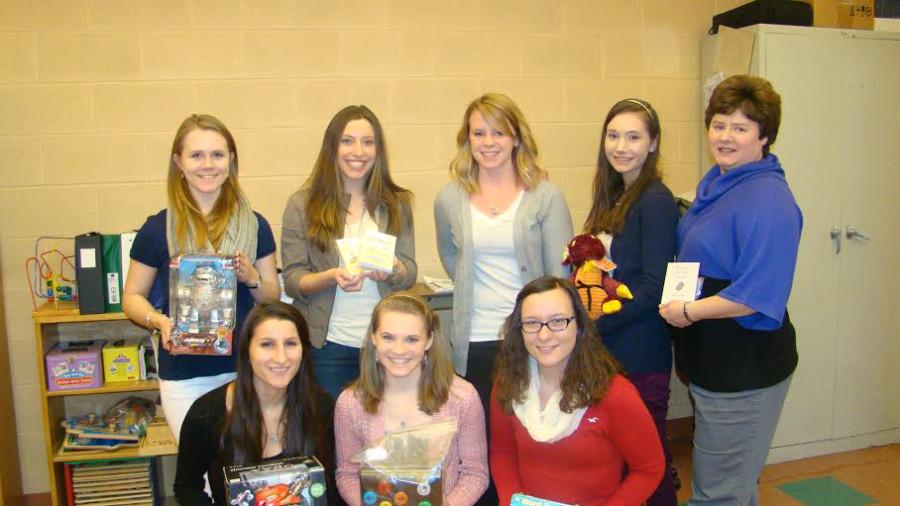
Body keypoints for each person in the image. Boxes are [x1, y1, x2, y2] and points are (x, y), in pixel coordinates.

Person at [659, 75, 802, 505]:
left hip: (745, 368)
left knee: (718, 494)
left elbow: (755, 294)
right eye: (719, 124)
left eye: (740, 128)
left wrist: (690, 313)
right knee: (731, 486)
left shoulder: (769, 200)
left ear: (765, 136)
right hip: (713, 363)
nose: (725, 137)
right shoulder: (719, 184)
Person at [122, 114, 279, 441]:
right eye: (196, 155)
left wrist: (251, 277)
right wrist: (160, 321)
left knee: (242, 472)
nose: (208, 164)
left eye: (218, 155)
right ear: (178, 162)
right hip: (184, 375)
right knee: (200, 477)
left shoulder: (255, 226)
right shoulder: (156, 230)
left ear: (231, 161)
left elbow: (271, 296)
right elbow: (132, 297)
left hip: (246, 370)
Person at [434, 91, 573, 420]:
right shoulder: (450, 198)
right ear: (467, 140)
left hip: (532, 337)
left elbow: (560, 275)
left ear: (516, 137)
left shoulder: (546, 195)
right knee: (484, 434)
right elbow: (451, 258)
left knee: (533, 429)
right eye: (478, 133)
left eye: (498, 132)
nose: (488, 142)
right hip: (476, 337)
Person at [281, 105, 416, 400]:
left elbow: (409, 270)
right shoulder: (302, 205)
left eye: (368, 142)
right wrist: (331, 277)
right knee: (332, 436)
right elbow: (292, 279)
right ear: (333, 147)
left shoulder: (396, 203)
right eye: (347, 141)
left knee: (383, 434)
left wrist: (394, 268)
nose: (359, 151)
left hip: (387, 347)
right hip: (328, 346)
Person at [491, 276, 664, 505]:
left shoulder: (614, 393)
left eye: (558, 321)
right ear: (519, 330)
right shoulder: (508, 385)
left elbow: (649, 469)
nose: (544, 335)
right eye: (532, 323)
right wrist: (510, 501)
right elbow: (503, 451)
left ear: (579, 324)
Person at [584, 98, 679, 505]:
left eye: (634, 137)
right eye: (613, 135)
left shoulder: (655, 200)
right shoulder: (615, 194)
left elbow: (654, 287)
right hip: (613, 350)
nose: (621, 146)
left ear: (653, 143)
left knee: (648, 464)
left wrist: (593, 322)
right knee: (620, 462)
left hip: (641, 352)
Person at [174, 301, 337, 505]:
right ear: (247, 351)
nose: (281, 357)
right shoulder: (206, 414)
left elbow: (331, 487)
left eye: (291, 344)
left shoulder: (322, 407)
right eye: (267, 344)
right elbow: (187, 488)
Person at [334, 292, 488, 505]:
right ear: (373, 337)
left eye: (412, 339)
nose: (399, 350)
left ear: (429, 341)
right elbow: (348, 475)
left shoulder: (462, 397)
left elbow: (475, 474)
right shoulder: (350, 403)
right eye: (388, 337)